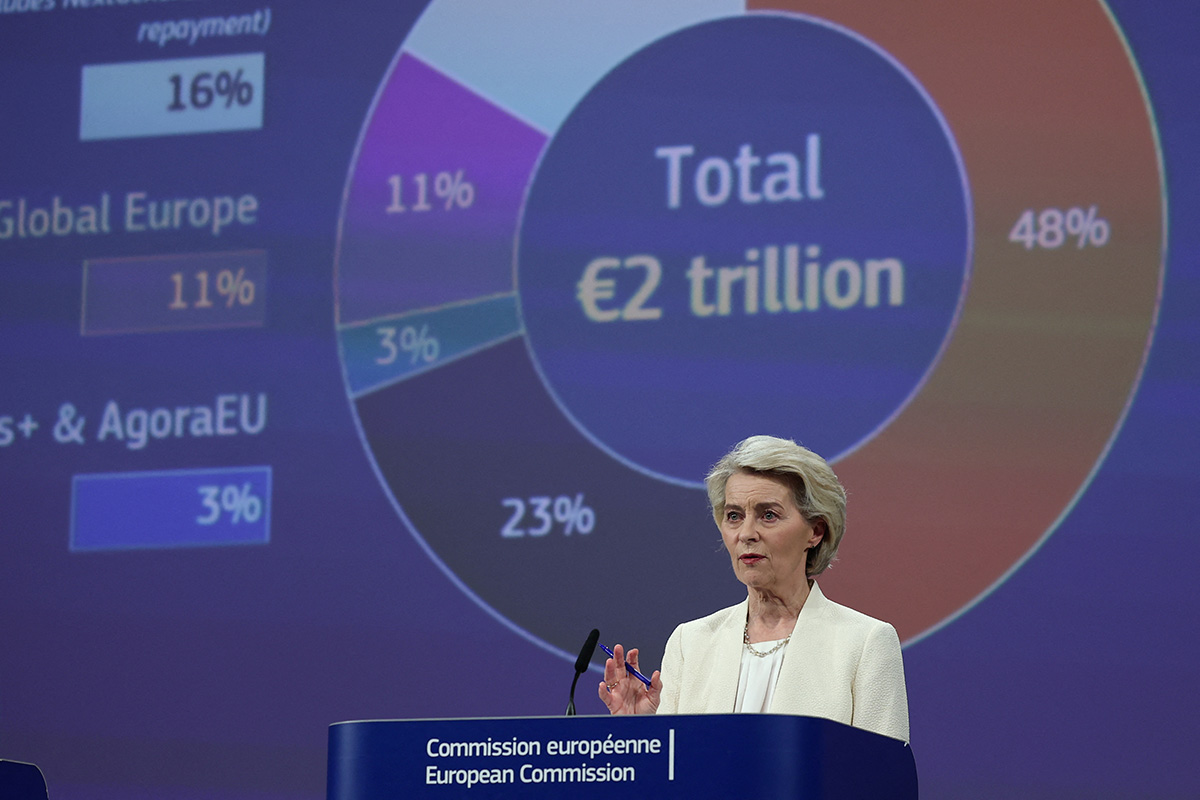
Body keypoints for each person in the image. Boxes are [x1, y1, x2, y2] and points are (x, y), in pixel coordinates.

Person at [598, 435, 909, 742]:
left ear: (815, 531)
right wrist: (639, 734)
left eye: (768, 515)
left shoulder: (865, 643)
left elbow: (883, 770)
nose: (746, 533)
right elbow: (674, 770)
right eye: (734, 516)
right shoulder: (690, 643)